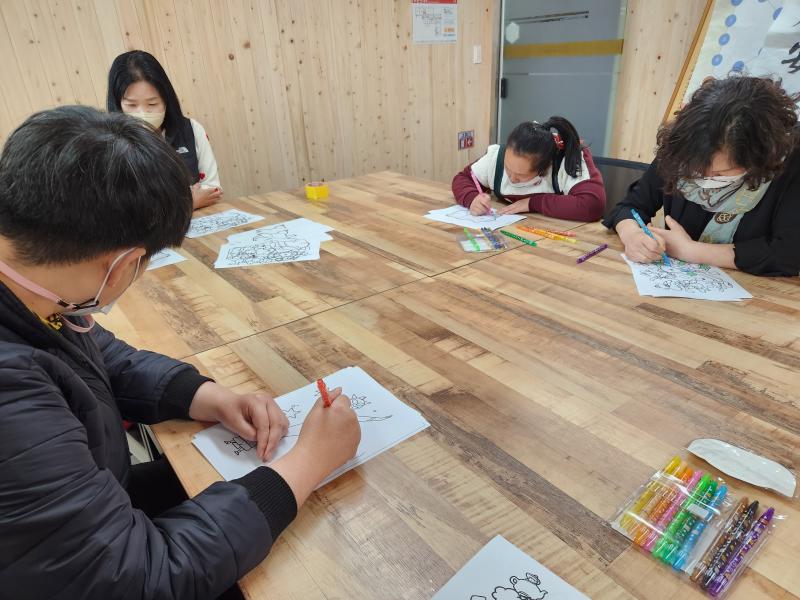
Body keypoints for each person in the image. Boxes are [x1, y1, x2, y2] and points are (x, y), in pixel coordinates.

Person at [0, 106, 361, 600]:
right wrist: (310, 461)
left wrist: (206, 395)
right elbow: (142, 578)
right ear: (124, 264)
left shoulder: (33, 294)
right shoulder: (10, 393)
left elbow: (98, 357)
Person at [603, 76, 800, 276]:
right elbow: (630, 207)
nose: (704, 180)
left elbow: (789, 253)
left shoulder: (789, 162)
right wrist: (632, 235)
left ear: (758, 159)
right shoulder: (681, 148)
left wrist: (692, 251)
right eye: (695, 169)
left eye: (720, 173)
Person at [108, 50, 223, 210]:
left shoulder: (191, 130)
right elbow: (127, 209)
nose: (143, 113)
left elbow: (212, 189)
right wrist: (189, 202)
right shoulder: (109, 145)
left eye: (152, 104)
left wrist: (165, 204)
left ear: (166, 100)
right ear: (118, 104)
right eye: (131, 105)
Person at [451, 116, 606, 221]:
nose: (512, 179)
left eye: (520, 175)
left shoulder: (568, 160)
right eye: (507, 169)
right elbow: (463, 178)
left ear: (544, 168)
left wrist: (532, 203)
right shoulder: (497, 157)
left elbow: (592, 205)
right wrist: (472, 198)